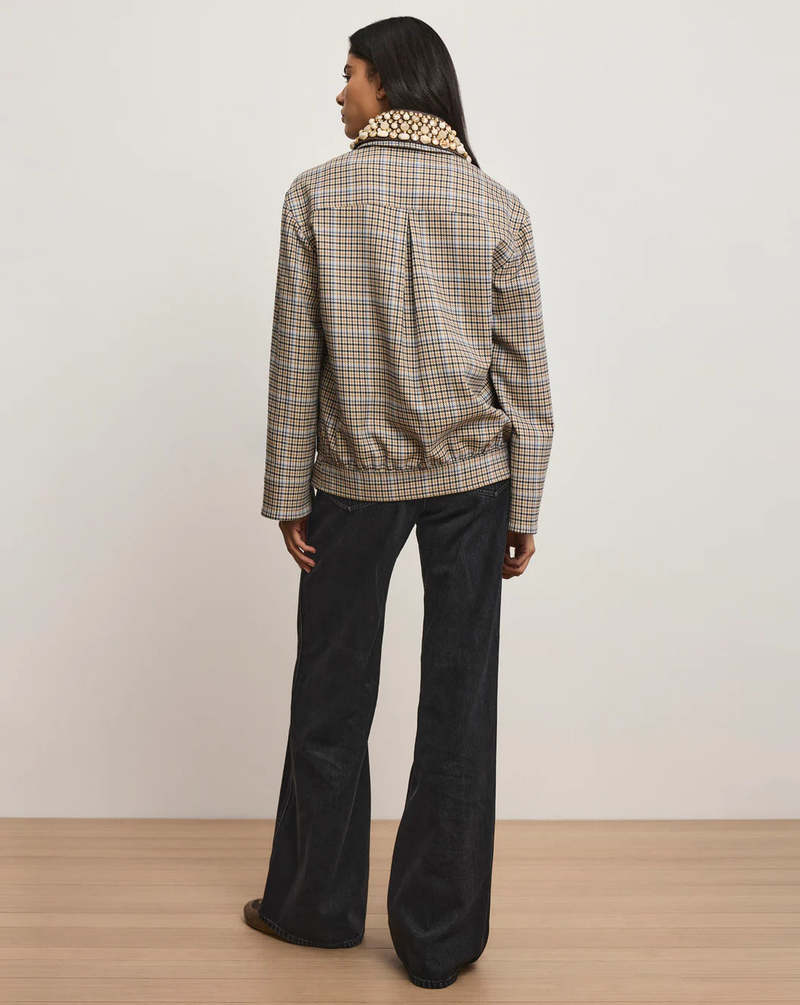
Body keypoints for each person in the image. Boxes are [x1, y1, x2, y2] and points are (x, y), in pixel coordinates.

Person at [243, 15, 554, 989]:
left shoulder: (315, 195)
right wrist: (524, 503)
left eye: (349, 74)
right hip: (474, 480)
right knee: (459, 705)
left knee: (330, 696)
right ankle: (439, 938)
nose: (338, 93)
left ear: (388, 82)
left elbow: (297, 358)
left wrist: (288, 491)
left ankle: (315, 907)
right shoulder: (497, 205)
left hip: (352, 477)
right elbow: (524, 372)